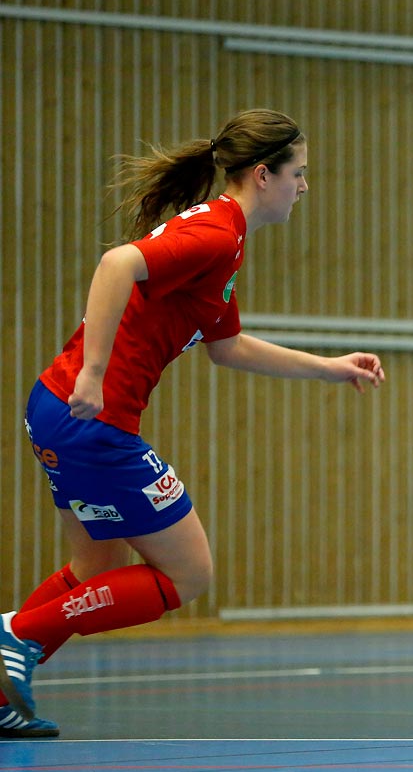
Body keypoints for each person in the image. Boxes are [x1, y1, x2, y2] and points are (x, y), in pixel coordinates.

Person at [1, 110, 385, 738]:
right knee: (190, 574)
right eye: (300, 173)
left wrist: (329, 368)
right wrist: (94, 373)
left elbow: (226, 345)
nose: (305, 186)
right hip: (91, 416)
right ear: (264, 175)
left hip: (55, 410)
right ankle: (15, 635)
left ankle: (2, 684)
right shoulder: (214, 233)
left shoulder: (225, 241)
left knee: (95, 572)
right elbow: (116, 265)